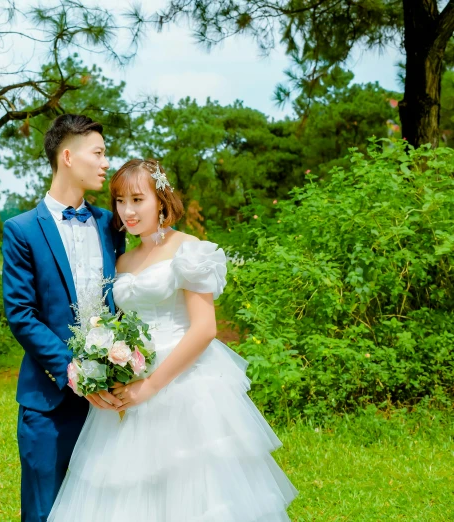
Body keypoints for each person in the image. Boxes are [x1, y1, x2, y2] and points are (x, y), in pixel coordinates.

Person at [48, 158, 297, 521]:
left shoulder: (190, 250)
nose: (127, 211)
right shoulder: (123, 261)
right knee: (128, 487)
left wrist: (150, 387)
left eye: (137, 200)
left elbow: (204, 329)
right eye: (119, 201)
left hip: (184, 379)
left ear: (161, 201)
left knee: (193, 489)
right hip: (131, 376)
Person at [2, 114, 126, 522]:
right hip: (50, 399)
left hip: (111, 399)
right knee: (45, 509)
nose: (106, 163)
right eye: (99, 153)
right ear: (68, 156)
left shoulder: (111, 223)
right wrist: (72, 371)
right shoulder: (21, 230)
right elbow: (21, 313)